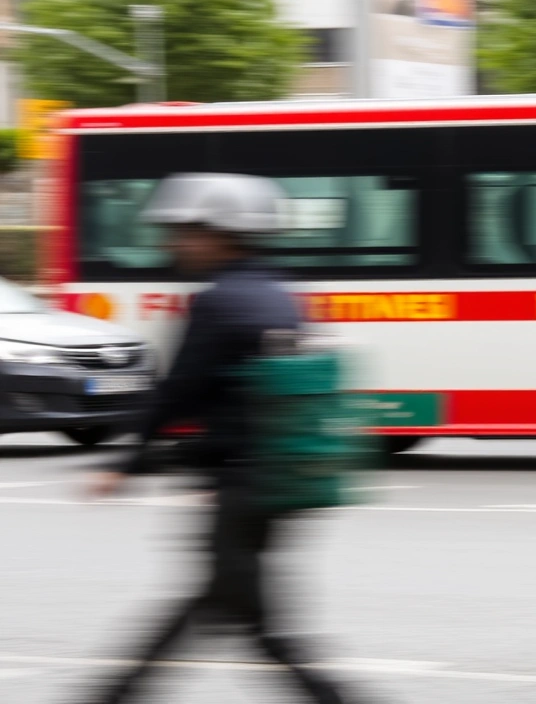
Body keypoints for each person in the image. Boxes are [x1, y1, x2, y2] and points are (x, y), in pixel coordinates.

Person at [86, 173, 352, 704]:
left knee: (256, 626)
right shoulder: (282, 295)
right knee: (221, 604)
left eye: (184, 233)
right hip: (277, 482)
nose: (174, 244)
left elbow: (178, 392)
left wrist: (125, 461)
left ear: (219, 234)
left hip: (241, 486)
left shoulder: (218, 302)